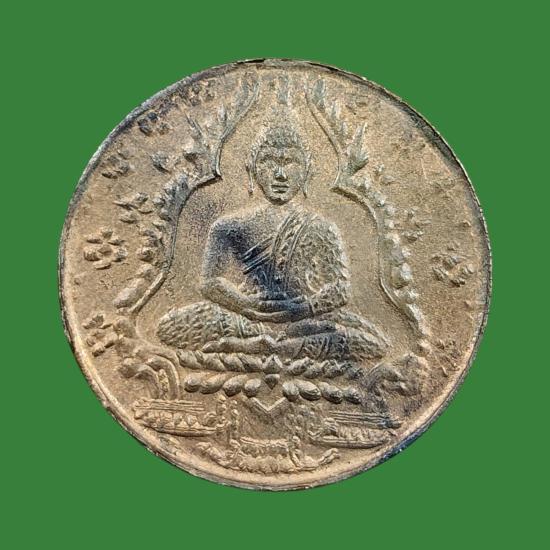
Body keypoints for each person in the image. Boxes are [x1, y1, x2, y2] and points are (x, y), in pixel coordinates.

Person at [157, 122, 388, 366]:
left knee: (375, 342)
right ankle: (282, 346)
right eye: (269, 161)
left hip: (302, 318)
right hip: (246, 318)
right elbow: (209, 283)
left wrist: (304, 309)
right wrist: (245, 305)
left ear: (307, 170)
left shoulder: (322, 228)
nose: (280, 174)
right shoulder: (228, 226)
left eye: (291, 162)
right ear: (253, 168)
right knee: (171, 326)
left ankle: (263, 346)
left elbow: (340, 289)